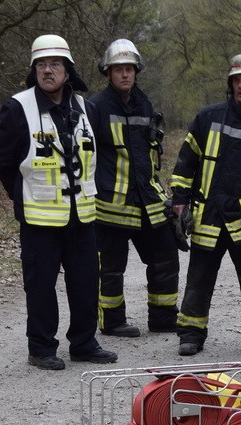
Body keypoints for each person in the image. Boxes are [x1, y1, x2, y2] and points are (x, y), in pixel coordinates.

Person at [0, 34, 118, 370]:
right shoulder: (18, 108)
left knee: (86, 283)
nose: (49, 71)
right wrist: (21, 194)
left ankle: (84, 343)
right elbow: (3, 161)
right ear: (34, 70)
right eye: (42, 65)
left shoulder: (87, 108)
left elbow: (100, 155)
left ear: (67, 70)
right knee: (41, 286)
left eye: (55, 64)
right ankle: (42, 347)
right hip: (39, 218)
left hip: (83, 215)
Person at [169, 54, 241, 357]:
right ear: (231, 84)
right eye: (237, 80)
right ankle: (190, 332)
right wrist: (179, 201)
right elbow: (185, 162)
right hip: (208, 215)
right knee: (199, 278)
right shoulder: (208, 117)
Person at [90, 39, 180, 337]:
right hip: (111, 202)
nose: (125, 74)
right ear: (108, 72)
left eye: (129, 69)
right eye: (119, 69)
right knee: (111, 268)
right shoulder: (96, 107)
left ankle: (163, 317)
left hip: (148, 198)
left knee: (166, 256)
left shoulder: (145, 104)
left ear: (136, 71)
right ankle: (113, 322)